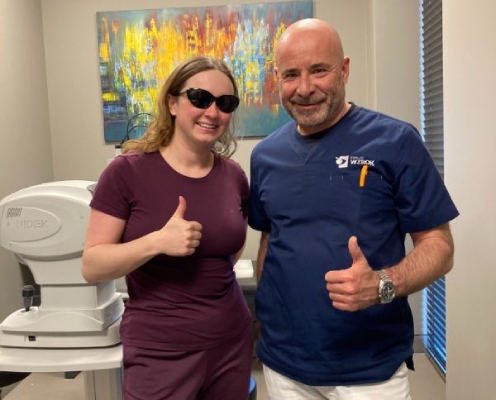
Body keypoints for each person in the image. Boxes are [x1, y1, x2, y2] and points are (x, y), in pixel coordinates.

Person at [248, 18, 459, 400]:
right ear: (277, 79)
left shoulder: (395, 140)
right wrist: (265, 312)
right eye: (291, 74)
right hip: (284, 364)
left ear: (344, 70)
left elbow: (439, 246)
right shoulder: (265, 155)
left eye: (319, 70)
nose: (305, 88)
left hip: (370, 367)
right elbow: (270, 238)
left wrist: (382, 284)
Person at [82, 56, 253, 400]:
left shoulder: (233, 175)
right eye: (200, 98)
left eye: (225, 103)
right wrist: (157, 242)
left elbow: (231, 252)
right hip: (159, 349)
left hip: (230, 342)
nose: (212, 112)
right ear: (172, 103)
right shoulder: (126, 172)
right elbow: (92, 265)